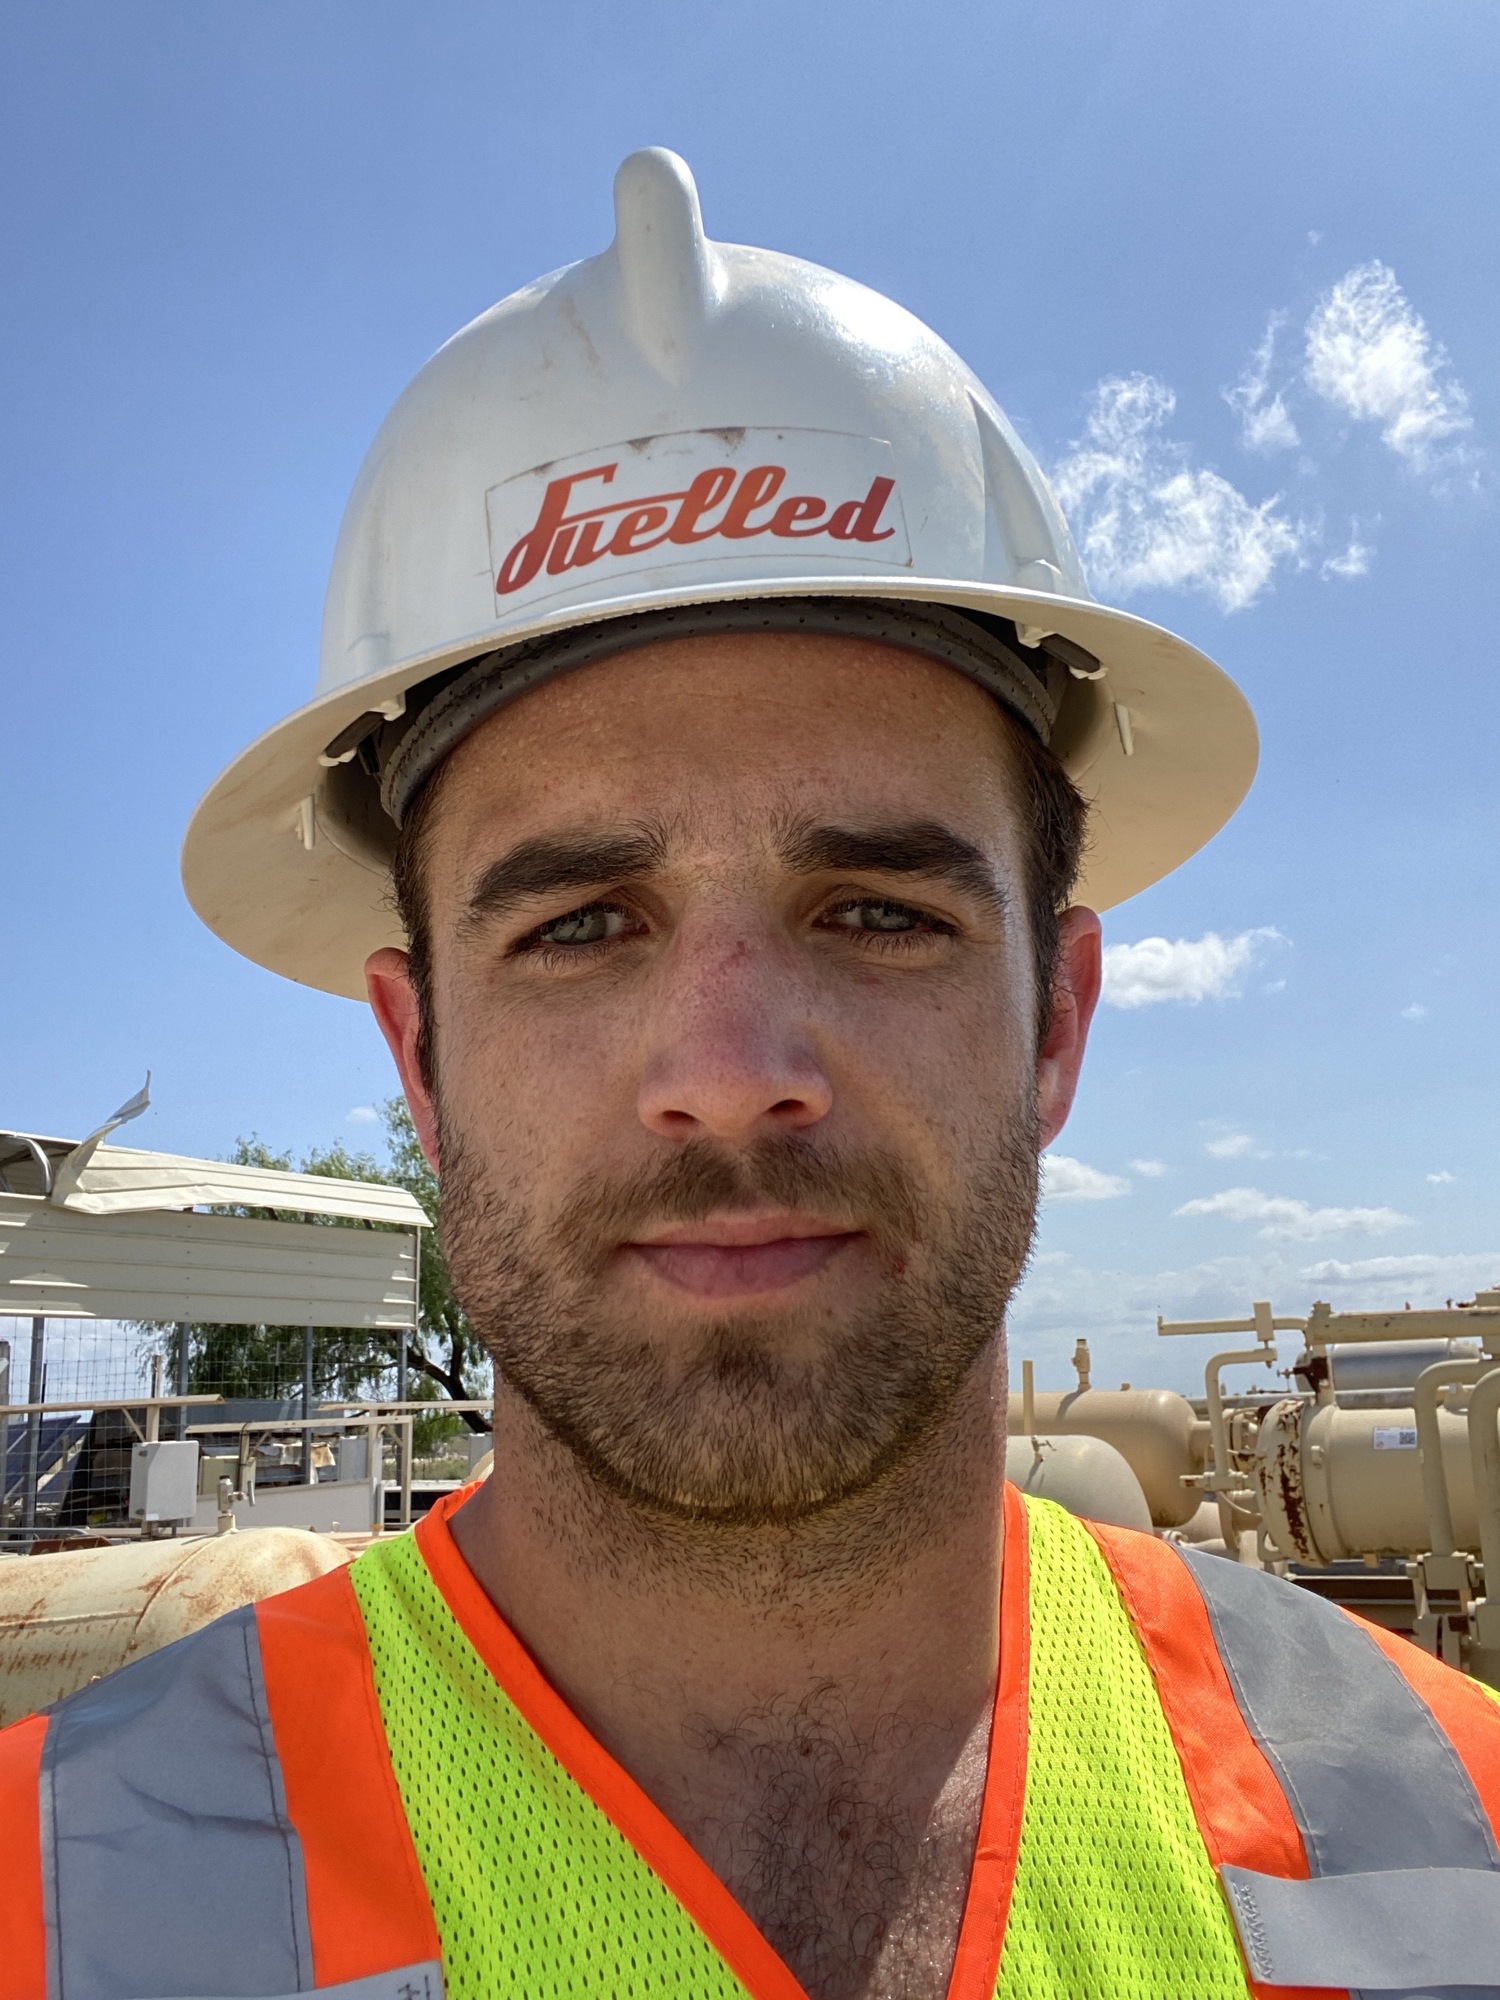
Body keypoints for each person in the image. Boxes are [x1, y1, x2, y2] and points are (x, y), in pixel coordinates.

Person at [4, 149, 1499, 2000]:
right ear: (420, 1060)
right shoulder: (40, 1905)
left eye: (877, 913)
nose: (728, 1077)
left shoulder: (1454, 1829)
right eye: (578, 927)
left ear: (1056, 1022)